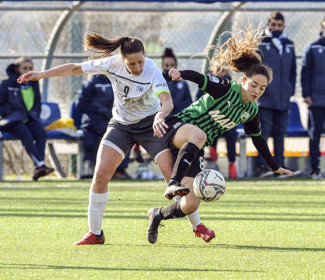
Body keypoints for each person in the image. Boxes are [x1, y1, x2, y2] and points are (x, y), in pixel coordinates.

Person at [18, 33, 213, 245]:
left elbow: (167, 101)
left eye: (140, 61)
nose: (137, 67)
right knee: (101, 174)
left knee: (173, 179)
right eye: (132, 63)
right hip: (121, 125)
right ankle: (95, 233)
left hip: (151, 126)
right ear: (122, 59)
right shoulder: (112, 64)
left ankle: (197, 226)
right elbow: (75, 68)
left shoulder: (152, 70)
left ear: (145, 57)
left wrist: (160, 115)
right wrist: (40, 75)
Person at [147, 24, 294, 244]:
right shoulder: (226, 88)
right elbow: (200, 78)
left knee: (190, 204)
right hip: (179, 127)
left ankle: (157, 214)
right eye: (254, 85)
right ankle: (173, 183)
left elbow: (258, 140)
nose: (257, 91)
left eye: (262, 88)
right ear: (244, 80)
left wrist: (274, 166)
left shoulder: (251, 111)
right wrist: (180, 74)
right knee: (199, 135)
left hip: (195, 145)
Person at [256, 11, 297, 178]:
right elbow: (255, 69)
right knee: (263, 133)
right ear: (268, 25)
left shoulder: (289, 44)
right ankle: (263, 167)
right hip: (265, 98)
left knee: (280, 133)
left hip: (283, 98)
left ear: (284, 26)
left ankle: (280, 166)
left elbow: (293, 71)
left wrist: (290, 90)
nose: (276, 28)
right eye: (273, 25)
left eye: (279, 25)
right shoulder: (260, 43)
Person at [0, 57, 54, 181]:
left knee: (41, 133)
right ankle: (41, 165)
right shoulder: (7, 84)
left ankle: (39, 167)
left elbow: (37, 103)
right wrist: (12, 113)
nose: (28, 71)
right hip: (11, 120)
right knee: (25, 133)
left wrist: (35, 113)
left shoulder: (34, 83)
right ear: (18, 69)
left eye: (30, 68)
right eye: (25, 68)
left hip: (29, 118)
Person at [76, 74, 131, 180]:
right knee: (94, 134)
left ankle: (119, 170)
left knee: (126, 134)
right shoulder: (91, 83)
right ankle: (92, 169)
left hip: (112, 119)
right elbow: (81, 104)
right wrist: (98, 111)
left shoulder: (117, 81)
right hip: (93, 122)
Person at [196, 68, 237, 178]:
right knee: (213, 126)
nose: (221, 72)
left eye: (224, 69)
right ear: (212, 69)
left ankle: (231, 163)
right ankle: (212, 149)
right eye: (218, 69)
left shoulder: (231, 84)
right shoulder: (205, 81)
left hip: (225, 118)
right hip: (209, 117)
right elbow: (197, 100)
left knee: (232, 133)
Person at [301, 17, 325, 180]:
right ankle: (315, 168)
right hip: (316, 99)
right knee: (314, 134)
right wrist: (306, 94)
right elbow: (305, 72)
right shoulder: (312, 47)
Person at [162, 47, 192, 117]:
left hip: (181, 119)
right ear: (162, 66)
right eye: (167, 65)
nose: (169, 68)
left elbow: (189, 104)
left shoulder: (183, 83)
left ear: (176, 66)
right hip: (164, 119)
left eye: (172, 65)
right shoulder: (158, 83)